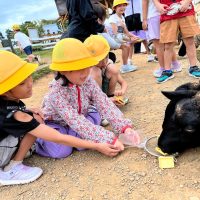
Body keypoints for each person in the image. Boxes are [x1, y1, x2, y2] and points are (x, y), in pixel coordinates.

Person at [0, 50, 125, 186]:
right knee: (61, 147)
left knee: (80, 134)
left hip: (74, 119)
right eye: (21, 83)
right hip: (54, 125)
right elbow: (58, 137)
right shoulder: (53, 94)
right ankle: (13, 166)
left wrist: (26, 109)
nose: (30, 83)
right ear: (6, 90)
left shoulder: (9, 102)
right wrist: (98, 146)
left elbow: (101, 101)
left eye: (29, 77)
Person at [35, 38, 140, 159]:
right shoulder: (56, 92)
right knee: (62, 151)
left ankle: (77, 135)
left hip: (81, 116)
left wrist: (125, 128)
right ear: (63, 71)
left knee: (84, 143)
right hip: (57, 123)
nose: (85, 73)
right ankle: (38, 141)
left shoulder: (88, 80)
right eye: (79, 69)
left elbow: (104, 103)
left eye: (88, 67)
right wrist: (109, 139)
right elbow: (75, 120)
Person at [153, 0, 200, 82]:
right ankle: (167, 71)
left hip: (186, 11)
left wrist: (187, 1)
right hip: (168, 13)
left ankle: (193, 67)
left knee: (190, 41)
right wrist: (157, 4)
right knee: (168, 44)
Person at [142, 0, 182, 83]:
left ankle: (163, 68)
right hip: (166, 13)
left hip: (153, 15)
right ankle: (175, 64)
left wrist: (144, 19)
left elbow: (144, 2)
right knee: (168, 42)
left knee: (158, 44)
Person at [86, 35, 128, 105]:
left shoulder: (107, 63)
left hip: (105, 95)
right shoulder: (88, 69)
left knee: (112, 68)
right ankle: (102, 102)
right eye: (100, 60)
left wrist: (122, 91)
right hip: (92, 99)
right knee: (96, 71)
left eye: (106, 57)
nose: (104, 62)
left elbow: (124, 83)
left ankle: (110, 97)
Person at [107, 0, 141, 73]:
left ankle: (125, 65)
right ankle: (125, 67)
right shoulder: (113, 18)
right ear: (114, 8)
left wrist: (135, 37)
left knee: (127, 46)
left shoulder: (122, 17)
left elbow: (127, 32)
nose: (122, 7)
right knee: (126, 46)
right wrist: (130, 39)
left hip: (114, 38)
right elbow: (116, 33)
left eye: (124, 5)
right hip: (109, 39)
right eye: (119, 6)